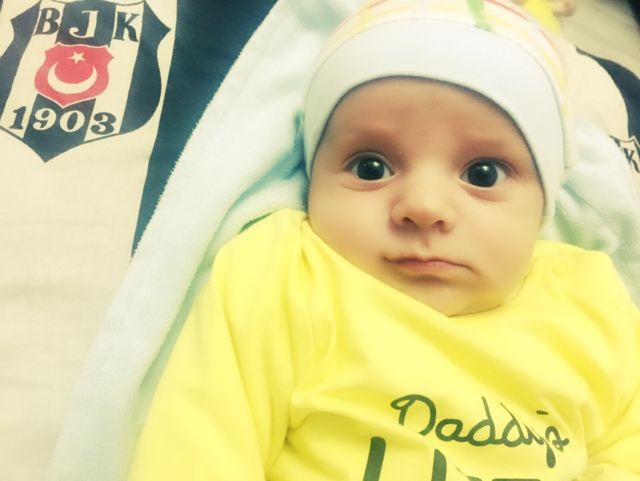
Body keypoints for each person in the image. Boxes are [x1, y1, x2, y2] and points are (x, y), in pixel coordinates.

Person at [128, 0, 640, 480]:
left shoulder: (593, 304)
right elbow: (200, 445)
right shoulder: (284, 275)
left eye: (482, 174)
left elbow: (626, 443)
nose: (424, 206)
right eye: (370, 167)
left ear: (544, 202)